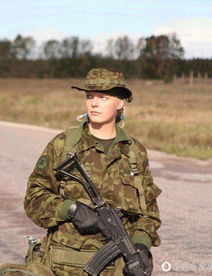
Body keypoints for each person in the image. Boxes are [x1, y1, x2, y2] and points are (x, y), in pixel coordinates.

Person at [23, 68, 162, 276]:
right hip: (65, 265)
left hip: (118, 266)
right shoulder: (64, 145)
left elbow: (148, 213)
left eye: (103, 97)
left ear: (120, 102)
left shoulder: (134, 152)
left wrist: (141, 245)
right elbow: (33, 198)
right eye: (89, 96)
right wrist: (70, 209)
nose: (94, 103)